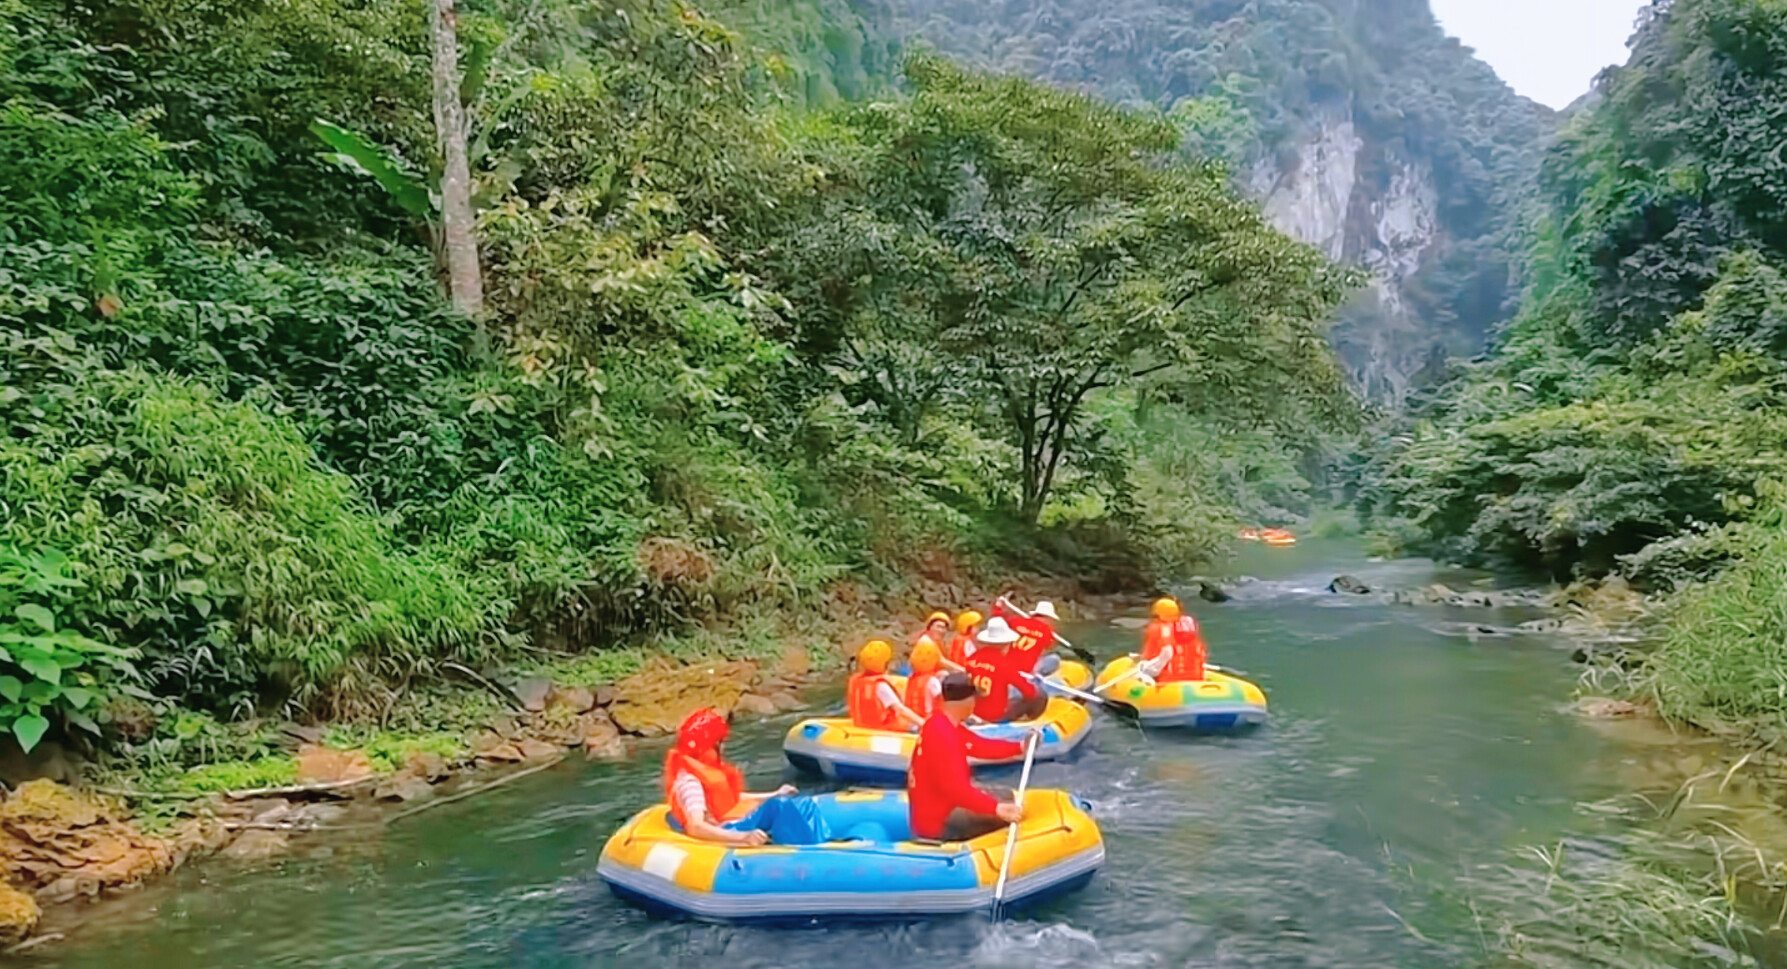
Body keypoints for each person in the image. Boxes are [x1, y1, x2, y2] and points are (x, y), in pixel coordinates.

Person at [665, 708, 832, 846]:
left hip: (733, 821)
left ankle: (822, 843)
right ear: (706, 748)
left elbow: (731, 799)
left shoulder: (704, 772)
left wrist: (773, 793)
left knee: (800, 803)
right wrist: (743, 837)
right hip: (727, 830)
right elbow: (695, 827)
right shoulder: (690, 783)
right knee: (779, 806)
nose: (722, 749)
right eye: (719, 744)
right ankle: (810, 852)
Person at [907, 672, 1031, 842]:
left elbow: (979, 746)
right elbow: (955, 789)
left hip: (933, 810)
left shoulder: (940, 722)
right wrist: (996, 809)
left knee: (1004, 795)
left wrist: (1019, 747)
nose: (975, 704)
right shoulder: (945, 736)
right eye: (974, 699)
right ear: (966, 702)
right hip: (940, 822)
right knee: (1003, 807)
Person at [961, 616, 1048, 722]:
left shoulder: (972, 658)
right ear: (1005, 644)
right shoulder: (1004, 664)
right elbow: (1029, 692)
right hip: (995, 716)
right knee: (1040, 695)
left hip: (973, 711)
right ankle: (1030, 722)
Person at [848, 640, 925, 731]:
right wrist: (923, 722)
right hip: (883, 728)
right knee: (914, 726)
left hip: (861, 725)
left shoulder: (855, 680)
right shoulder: (880, 685)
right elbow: (900, 710)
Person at [1139, 597, 1207, 683]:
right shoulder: (1189, 625)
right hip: (1197, 677)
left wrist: (1146, 667)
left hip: (1170, 679)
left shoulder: (1160, 628)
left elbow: (1167, 653)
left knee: (1142, 671)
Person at [992, 596, 1061, 678]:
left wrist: (998, 606)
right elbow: (1050, 647)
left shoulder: (1016, 622)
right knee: (1054, 659)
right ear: (1048, 618)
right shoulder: (1047, 632)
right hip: (1027, 671)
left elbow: (998, 619)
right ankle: (1037, 678)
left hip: (1007, 664)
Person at [904, 639, 945, 720]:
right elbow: (945, 701)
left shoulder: (911, 679)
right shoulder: (932, 681)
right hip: (929, 720)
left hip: (912, 720)